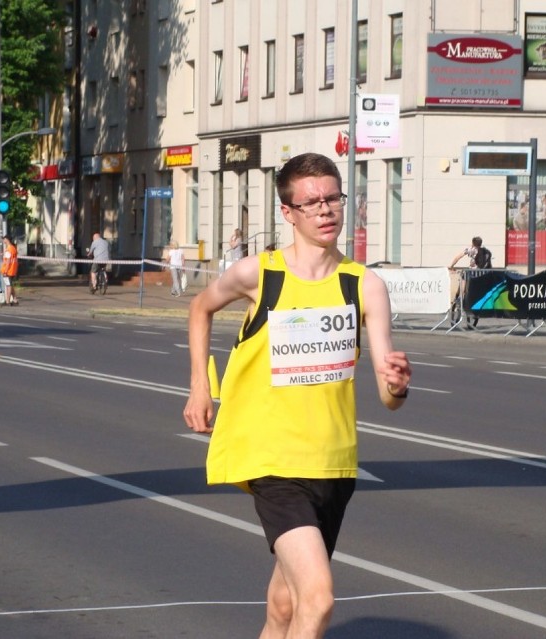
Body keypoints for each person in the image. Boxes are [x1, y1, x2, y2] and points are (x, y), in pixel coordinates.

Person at [184, 152, 412, 639]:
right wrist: (201, 386)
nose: (326, 210)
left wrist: (396, 385)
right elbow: (200, 308)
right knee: (318, 597)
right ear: (288, 213)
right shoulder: (259, 274)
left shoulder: (363, 285)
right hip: (271, 458)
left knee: (286, 604)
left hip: (331, 462)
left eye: (333, 198)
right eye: (312, 202)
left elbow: (388, 396)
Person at [449, 236, 490, 328]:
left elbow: (458, 257)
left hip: (469, 274)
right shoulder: (484, 251)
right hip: (478, 276)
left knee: (462, 291)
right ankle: (472, 313)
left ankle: (460, 299)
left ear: (473, 243)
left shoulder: (471, 249)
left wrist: (452, 265)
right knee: (476, 296)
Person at [0, 235, 19, 306]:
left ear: (7, 240)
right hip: (12, 270)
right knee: (10, 285)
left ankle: (7, 301)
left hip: (8, 270)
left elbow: (8, 261)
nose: (3, 241)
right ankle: (15, 299)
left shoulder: (9, 249)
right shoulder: (13, 248)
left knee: (8, 285)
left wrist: (5, 271)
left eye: (4, 239)